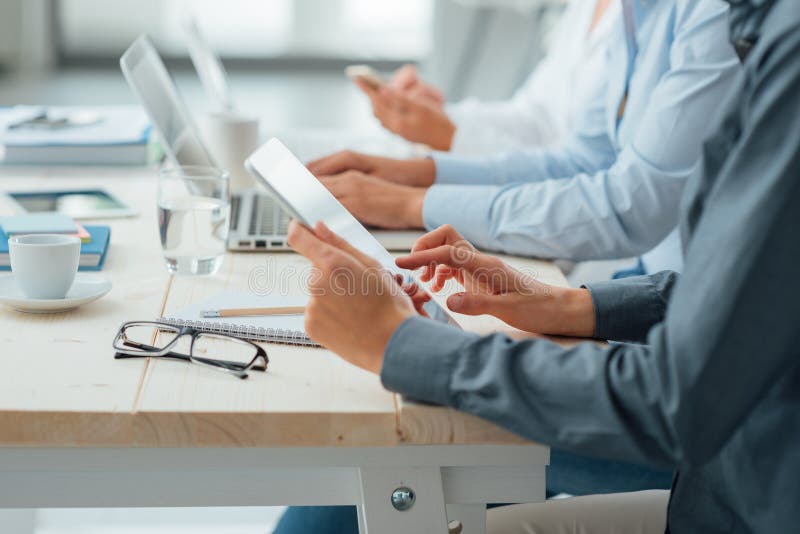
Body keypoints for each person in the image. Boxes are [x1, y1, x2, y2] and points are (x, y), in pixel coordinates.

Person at [286, 0, 800, 530]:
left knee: (389, 455)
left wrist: (405, 345)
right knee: (385, 461)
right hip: (729, 471)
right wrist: (576, 304)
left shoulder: (782, 51)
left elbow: (679, 397)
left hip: (743, 487)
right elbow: (757, 290)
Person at [308, 0, 740, 277]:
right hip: (631, 283)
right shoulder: (632, 11)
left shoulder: (716, 14)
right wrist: (414, 173)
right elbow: (585, 156)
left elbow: (634, 205)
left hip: (677, 304)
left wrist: (408, 203)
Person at [355, 0, 619, 154]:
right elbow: (535, 118)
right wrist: (439, 118)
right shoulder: (585, 7)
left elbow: (586, 168)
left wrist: (450, 136)